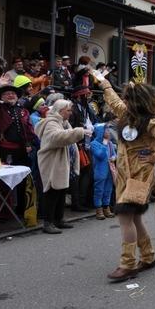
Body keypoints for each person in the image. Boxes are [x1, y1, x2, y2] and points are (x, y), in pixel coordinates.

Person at [95, 71, 155, 282]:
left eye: (129, 99)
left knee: (124, 217)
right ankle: (148, 257)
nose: (125, 101)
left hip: (140, 175)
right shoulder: (126, 115)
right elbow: (113, 100)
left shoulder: (151, 123)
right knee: (135, 217)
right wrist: (103, 83)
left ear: (138, 102)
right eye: (125, 99)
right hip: (124, 174)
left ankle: (128, 264)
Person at [35, 100, 88, 234]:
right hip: (52, 162)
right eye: (68, 110)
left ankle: (59, 219)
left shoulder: (63, 122)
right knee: (52, 191)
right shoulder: (51, 123)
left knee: (61, 190)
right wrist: (79, 132)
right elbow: (56, 138)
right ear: (60, 111)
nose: (71, 113)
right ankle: (48, 223)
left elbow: (67, 136)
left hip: (63, 161)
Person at [0, 77, 37, 218]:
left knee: (23, 180)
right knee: (4, 182)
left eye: (13, 94)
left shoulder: (22, 110)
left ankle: (22, 210)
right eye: (7, 94)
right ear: (2, 97)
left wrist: (29, 144)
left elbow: (28, 129)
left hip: (22, 150)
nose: (11, 95)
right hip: (5, 151)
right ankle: (4, 213)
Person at [90, 123, 117, 220]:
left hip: (109, 170)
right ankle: (99, 209)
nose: (109, 132)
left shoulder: (109, 143)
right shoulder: (94, 144)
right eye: (106, 130)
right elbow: (100, 155)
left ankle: (106, 207)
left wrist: (114, 157)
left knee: (108, 190)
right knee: (99, 190)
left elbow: (114, 154)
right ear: (100, 132)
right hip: (100, 171)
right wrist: (104, 144)